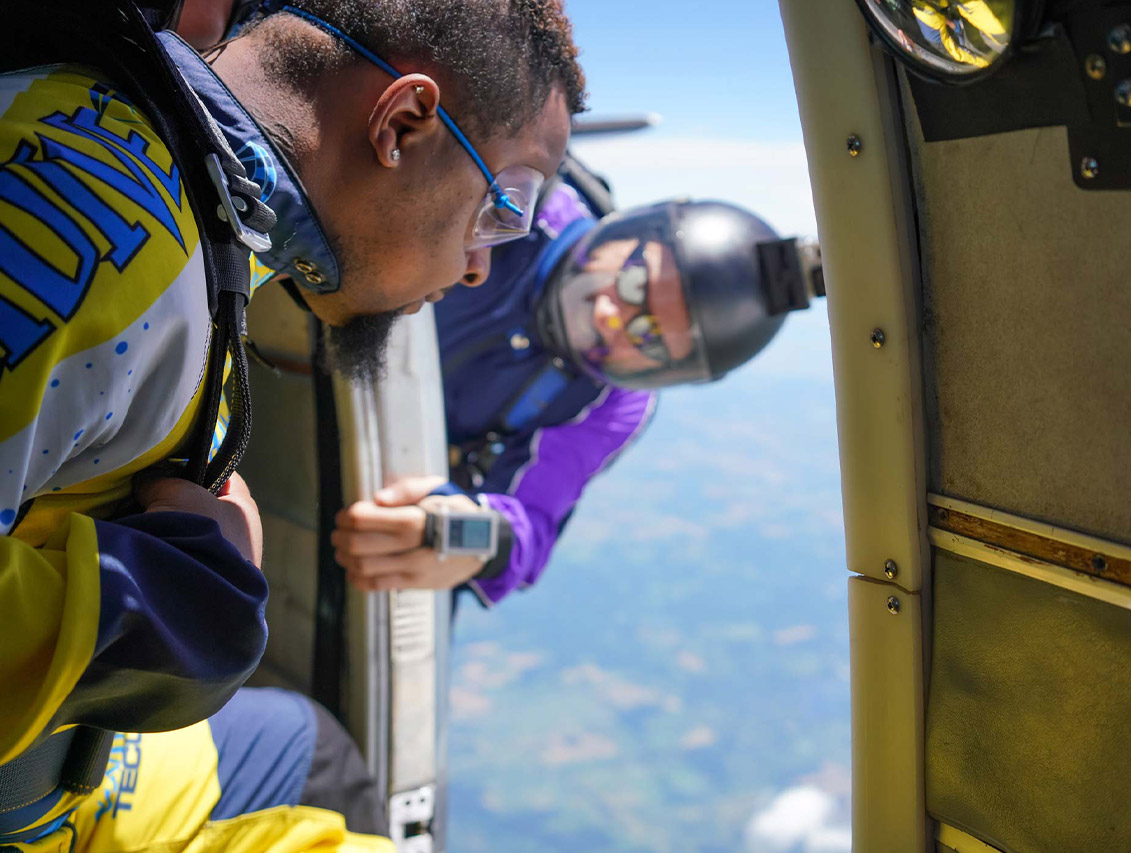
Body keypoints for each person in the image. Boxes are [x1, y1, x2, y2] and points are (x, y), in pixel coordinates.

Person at [0, 0, 584, 849]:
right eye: (504, 203)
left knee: (313, 751)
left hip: (80, 756)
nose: (478, 267)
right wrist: (184, 602)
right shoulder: (95, 229)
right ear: (405, 123)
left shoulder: (174, 189)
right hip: (45, 811)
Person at [332, 164, 823, 606]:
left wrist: (474, 539)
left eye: (648, 338)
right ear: (626, 233)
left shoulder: (613, 403)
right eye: (634, 283)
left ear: (669, 370)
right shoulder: (518, 200)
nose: (612, 316)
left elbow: (532, 524)